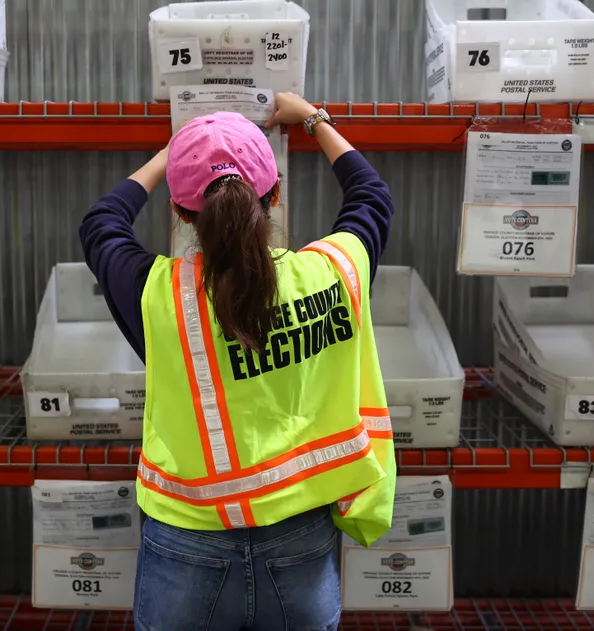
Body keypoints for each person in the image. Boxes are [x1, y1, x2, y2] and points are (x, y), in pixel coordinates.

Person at [80, 92, 396, 631]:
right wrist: (313, 119)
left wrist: (171, 152)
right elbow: (371, 195)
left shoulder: (158, 296)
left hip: (186, 540)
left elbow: (103, 222)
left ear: (180, 212)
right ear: (272, 196)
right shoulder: (335, 272)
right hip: (300, 537)